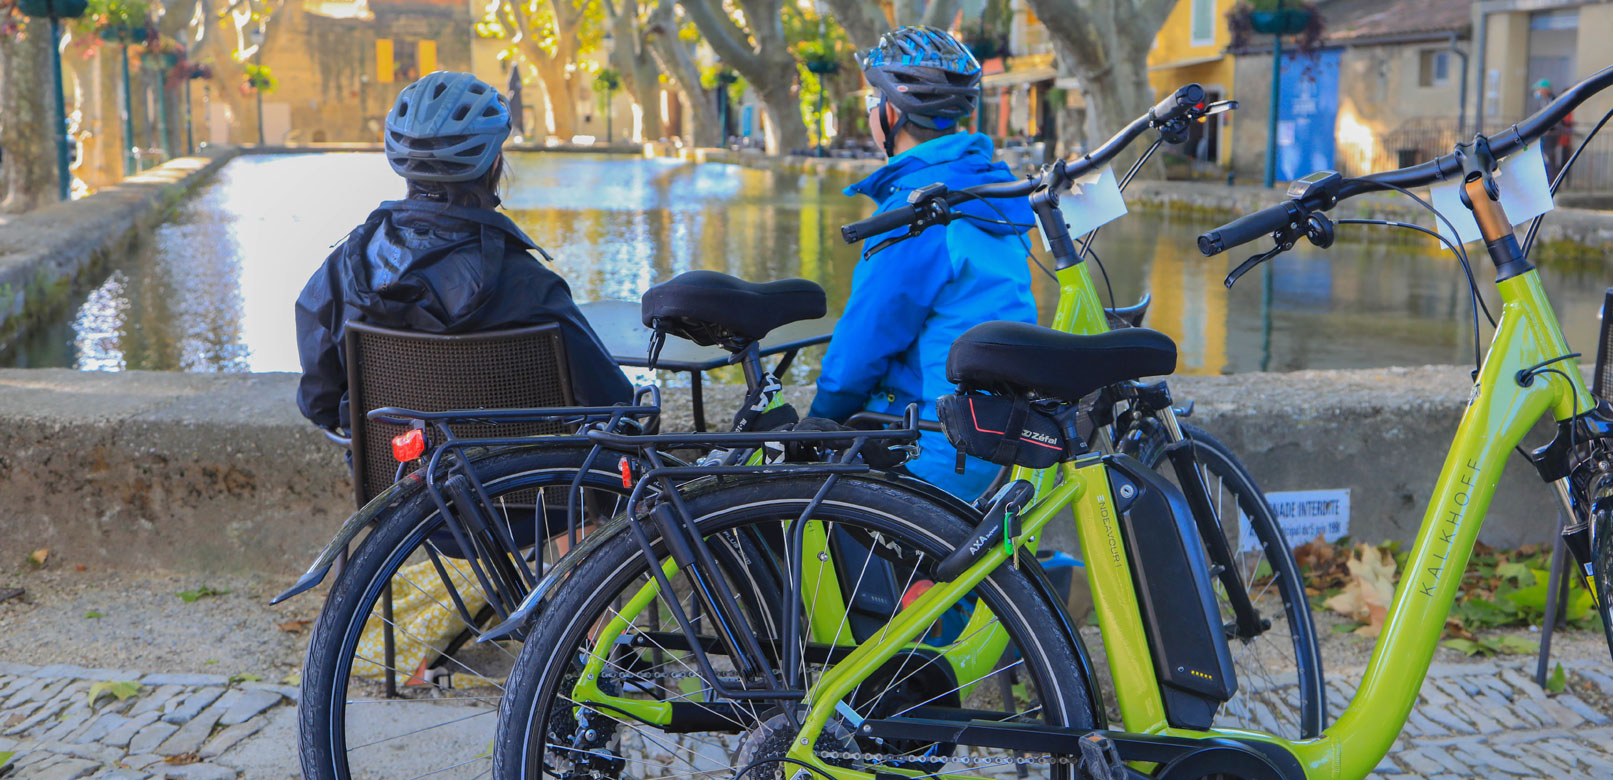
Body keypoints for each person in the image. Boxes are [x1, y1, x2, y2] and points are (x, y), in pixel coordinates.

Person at [294, 71, 631, 433]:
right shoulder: (530, 284)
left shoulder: (346, 266)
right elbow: (613, 404)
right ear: (495, 164)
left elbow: (319, 403)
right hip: (519, 487)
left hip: (393, 482)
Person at [807, 26, 1038, 500]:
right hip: (1003, 439)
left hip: (936, 448)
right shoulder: (987, 193)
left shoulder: (920, 210)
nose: (873, 110)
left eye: (874, 100)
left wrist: (819, 417)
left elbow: (863, 344)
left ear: (891, 112)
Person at [1533, 79, 1574, 182]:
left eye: (1540, 89)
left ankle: (1552, 181)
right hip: (1545, 134)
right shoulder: (1543, 101)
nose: (1538, 92)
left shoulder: (1553, 101)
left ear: (1546, 90)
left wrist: (1549, 129)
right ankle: (1548, 180)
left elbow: (1554, 118)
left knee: (1550, 157)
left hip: (1552, 134)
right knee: (1546, 158)